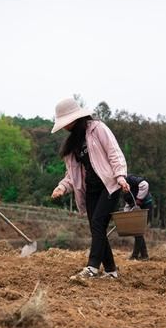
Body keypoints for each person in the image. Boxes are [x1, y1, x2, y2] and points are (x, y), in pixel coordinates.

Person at [50, 98, 130, 279]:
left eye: (65, 122)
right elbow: (72, 175)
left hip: (109, 185)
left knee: (98, 224)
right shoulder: (73, 144)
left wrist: (120, 176)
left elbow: (114, 152)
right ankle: (111, 271)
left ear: (74, 118)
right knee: (97, 229)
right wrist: (62, 187)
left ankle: (92, 267)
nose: (63, 126)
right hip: (91, 189)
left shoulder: (97, 129)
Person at [123, 174, 153, 261]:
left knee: (138, 231)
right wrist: (126, 215)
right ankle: (144, 255)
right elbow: (128, 204)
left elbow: (145, 185)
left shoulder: (131, 179)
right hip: (136, 208)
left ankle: (135, 256)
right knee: (137, 231)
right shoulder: (123, 191)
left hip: (146, 205)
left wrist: (139, 199)